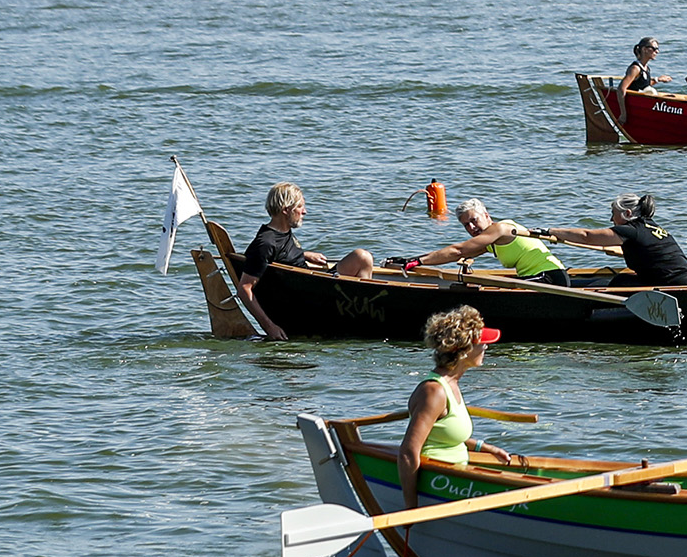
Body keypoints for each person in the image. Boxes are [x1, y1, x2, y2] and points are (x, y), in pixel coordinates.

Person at [397, 305, 516, 509]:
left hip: (457, 480)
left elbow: (443, 433)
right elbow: (408, 452)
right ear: (462, 349)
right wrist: (410, 506)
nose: (486, 347)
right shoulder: (434, 392)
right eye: (481, 343)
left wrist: (486, 448)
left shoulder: (452, 384)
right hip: (440, 485)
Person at [238, 181, 376, 338]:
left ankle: (364, 314)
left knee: (362, 257)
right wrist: (270, 327)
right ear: (285, 210)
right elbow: (244, 289)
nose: (305, 212)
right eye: (300, 207)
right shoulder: (266, 243)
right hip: (309, 299)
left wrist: (304, 254)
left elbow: (279, 255)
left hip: (313, 285)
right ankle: (366, 320)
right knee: (362, 256)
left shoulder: (281, 233)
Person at [403, 198, 572, 286]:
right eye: (466, 225)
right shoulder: (490, 242)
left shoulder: (501, 229)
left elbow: (459, 250)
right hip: (536, 279)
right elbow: (454, 255)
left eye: (474, 220)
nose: (471, 227)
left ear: (486, 216)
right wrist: (413, 260)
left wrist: (418, 261)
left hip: (550, 278)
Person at [545, 193, 687, 287]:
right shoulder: (653, 227)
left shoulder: (629, 230)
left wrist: (551, 231)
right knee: (623, 279)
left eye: (613, 213)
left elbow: (587, 236)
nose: (611, 218)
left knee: (620, 281)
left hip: (672, 286)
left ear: (627, 213)